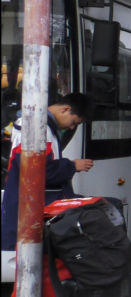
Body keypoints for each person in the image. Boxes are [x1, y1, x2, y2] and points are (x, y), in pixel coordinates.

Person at [1, 93, 94, 251]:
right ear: (65, 109)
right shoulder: (38, 128)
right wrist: (72, 166)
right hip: (28, 205)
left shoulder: (40, 125)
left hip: (26, 201)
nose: (72, 127)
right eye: (74, 122)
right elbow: (37, 171)